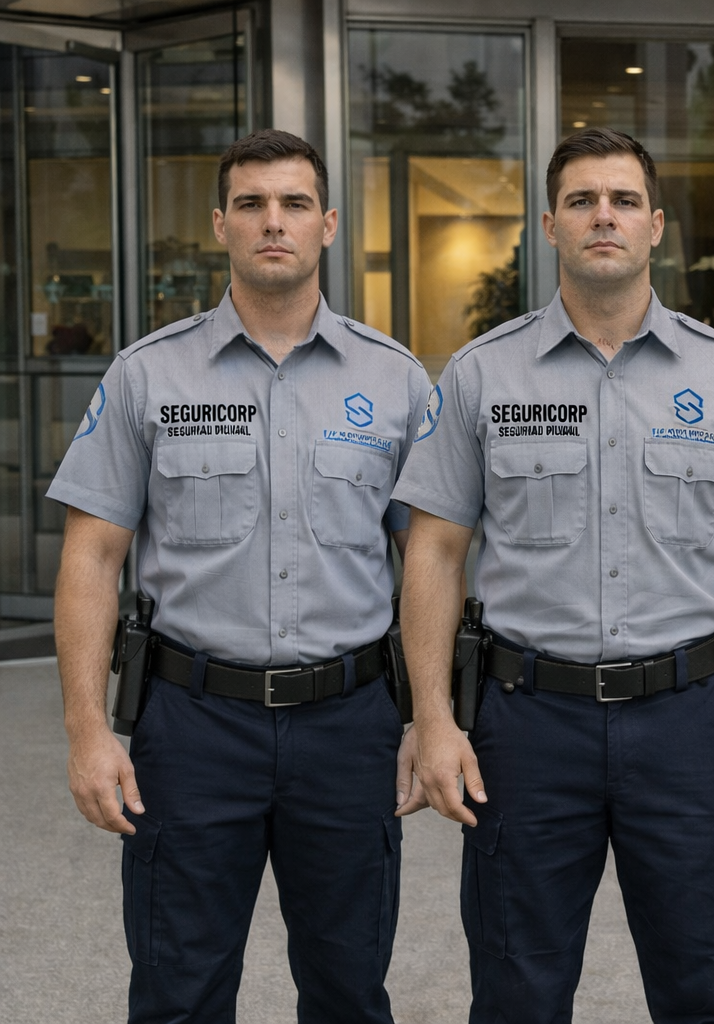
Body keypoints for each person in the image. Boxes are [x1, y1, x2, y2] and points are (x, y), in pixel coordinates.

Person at [393, 126, 714, 1024]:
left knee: (704, 984)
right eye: (583, 200)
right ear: (548, 224)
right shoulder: (479, 375)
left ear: (656, 225)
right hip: (527, 725)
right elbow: (432, 550)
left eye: (624, 201)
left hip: (688, 725)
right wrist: (432, 721)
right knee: (517, 988)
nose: (604, 217)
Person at [50, 129, 432, 1022]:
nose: (274, 223)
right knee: (179, 990)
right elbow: (91, 554)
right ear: (220, 224)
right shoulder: (147, 375)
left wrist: (427, 717)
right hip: (191, 727)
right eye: (253, 205)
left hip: (350, 727)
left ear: (328, 224)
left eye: (295, 204)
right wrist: (85, 733)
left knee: (348, 990)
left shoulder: (397, 380)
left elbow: (431, 560)